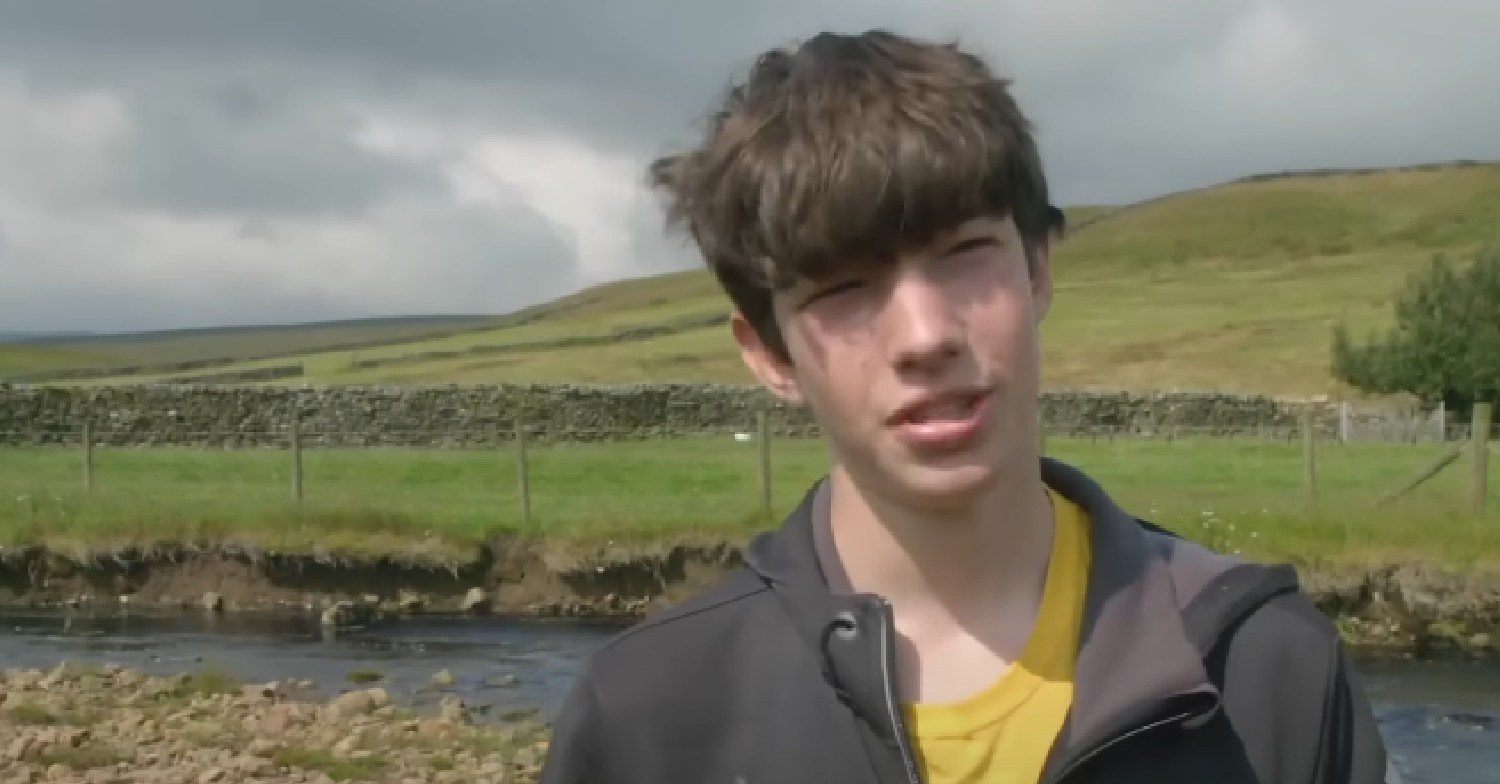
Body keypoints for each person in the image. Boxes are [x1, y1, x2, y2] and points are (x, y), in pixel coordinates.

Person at [540, 30, 1395, 784]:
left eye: (964, 254)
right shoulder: (651, 714)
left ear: (1039, 270)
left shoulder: (1267, 668)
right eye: (842, 288)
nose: (924, 335)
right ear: (768, 353)